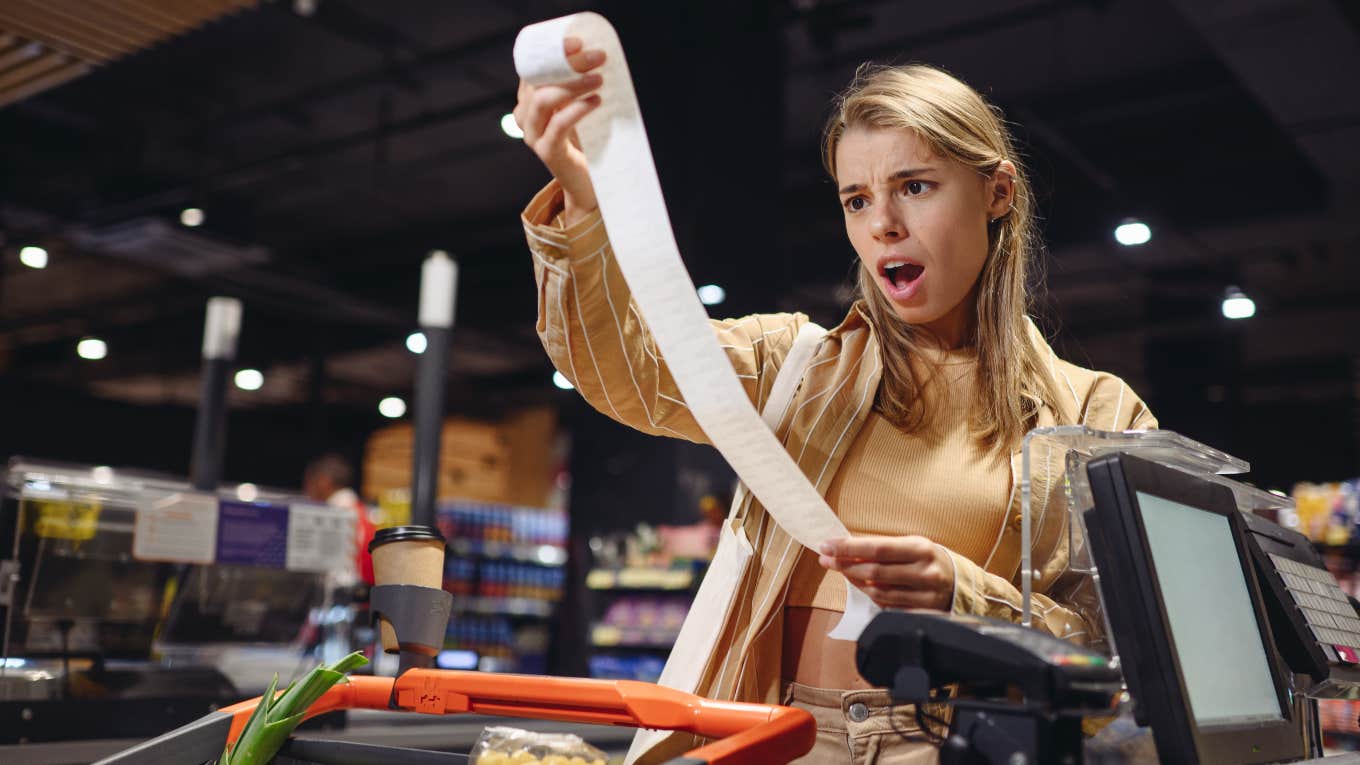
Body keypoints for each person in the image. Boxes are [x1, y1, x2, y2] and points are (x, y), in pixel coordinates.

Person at [514, 39, 1156, 765]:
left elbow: (1125, 652)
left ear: (997, 193)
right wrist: (585, 199)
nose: (881, 222)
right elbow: (623, 368)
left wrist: (965, 596)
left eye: (915, 186)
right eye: (857, 199)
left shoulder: (1099, 413)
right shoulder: (792, 365)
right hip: (782, 733)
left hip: (958, 743)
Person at [303, 453, 376, 586]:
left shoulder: (335, 513)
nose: (306, 490)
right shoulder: (358, 509)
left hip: (347, 596)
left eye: (308, 482)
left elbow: (339, 575)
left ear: (323, 481)